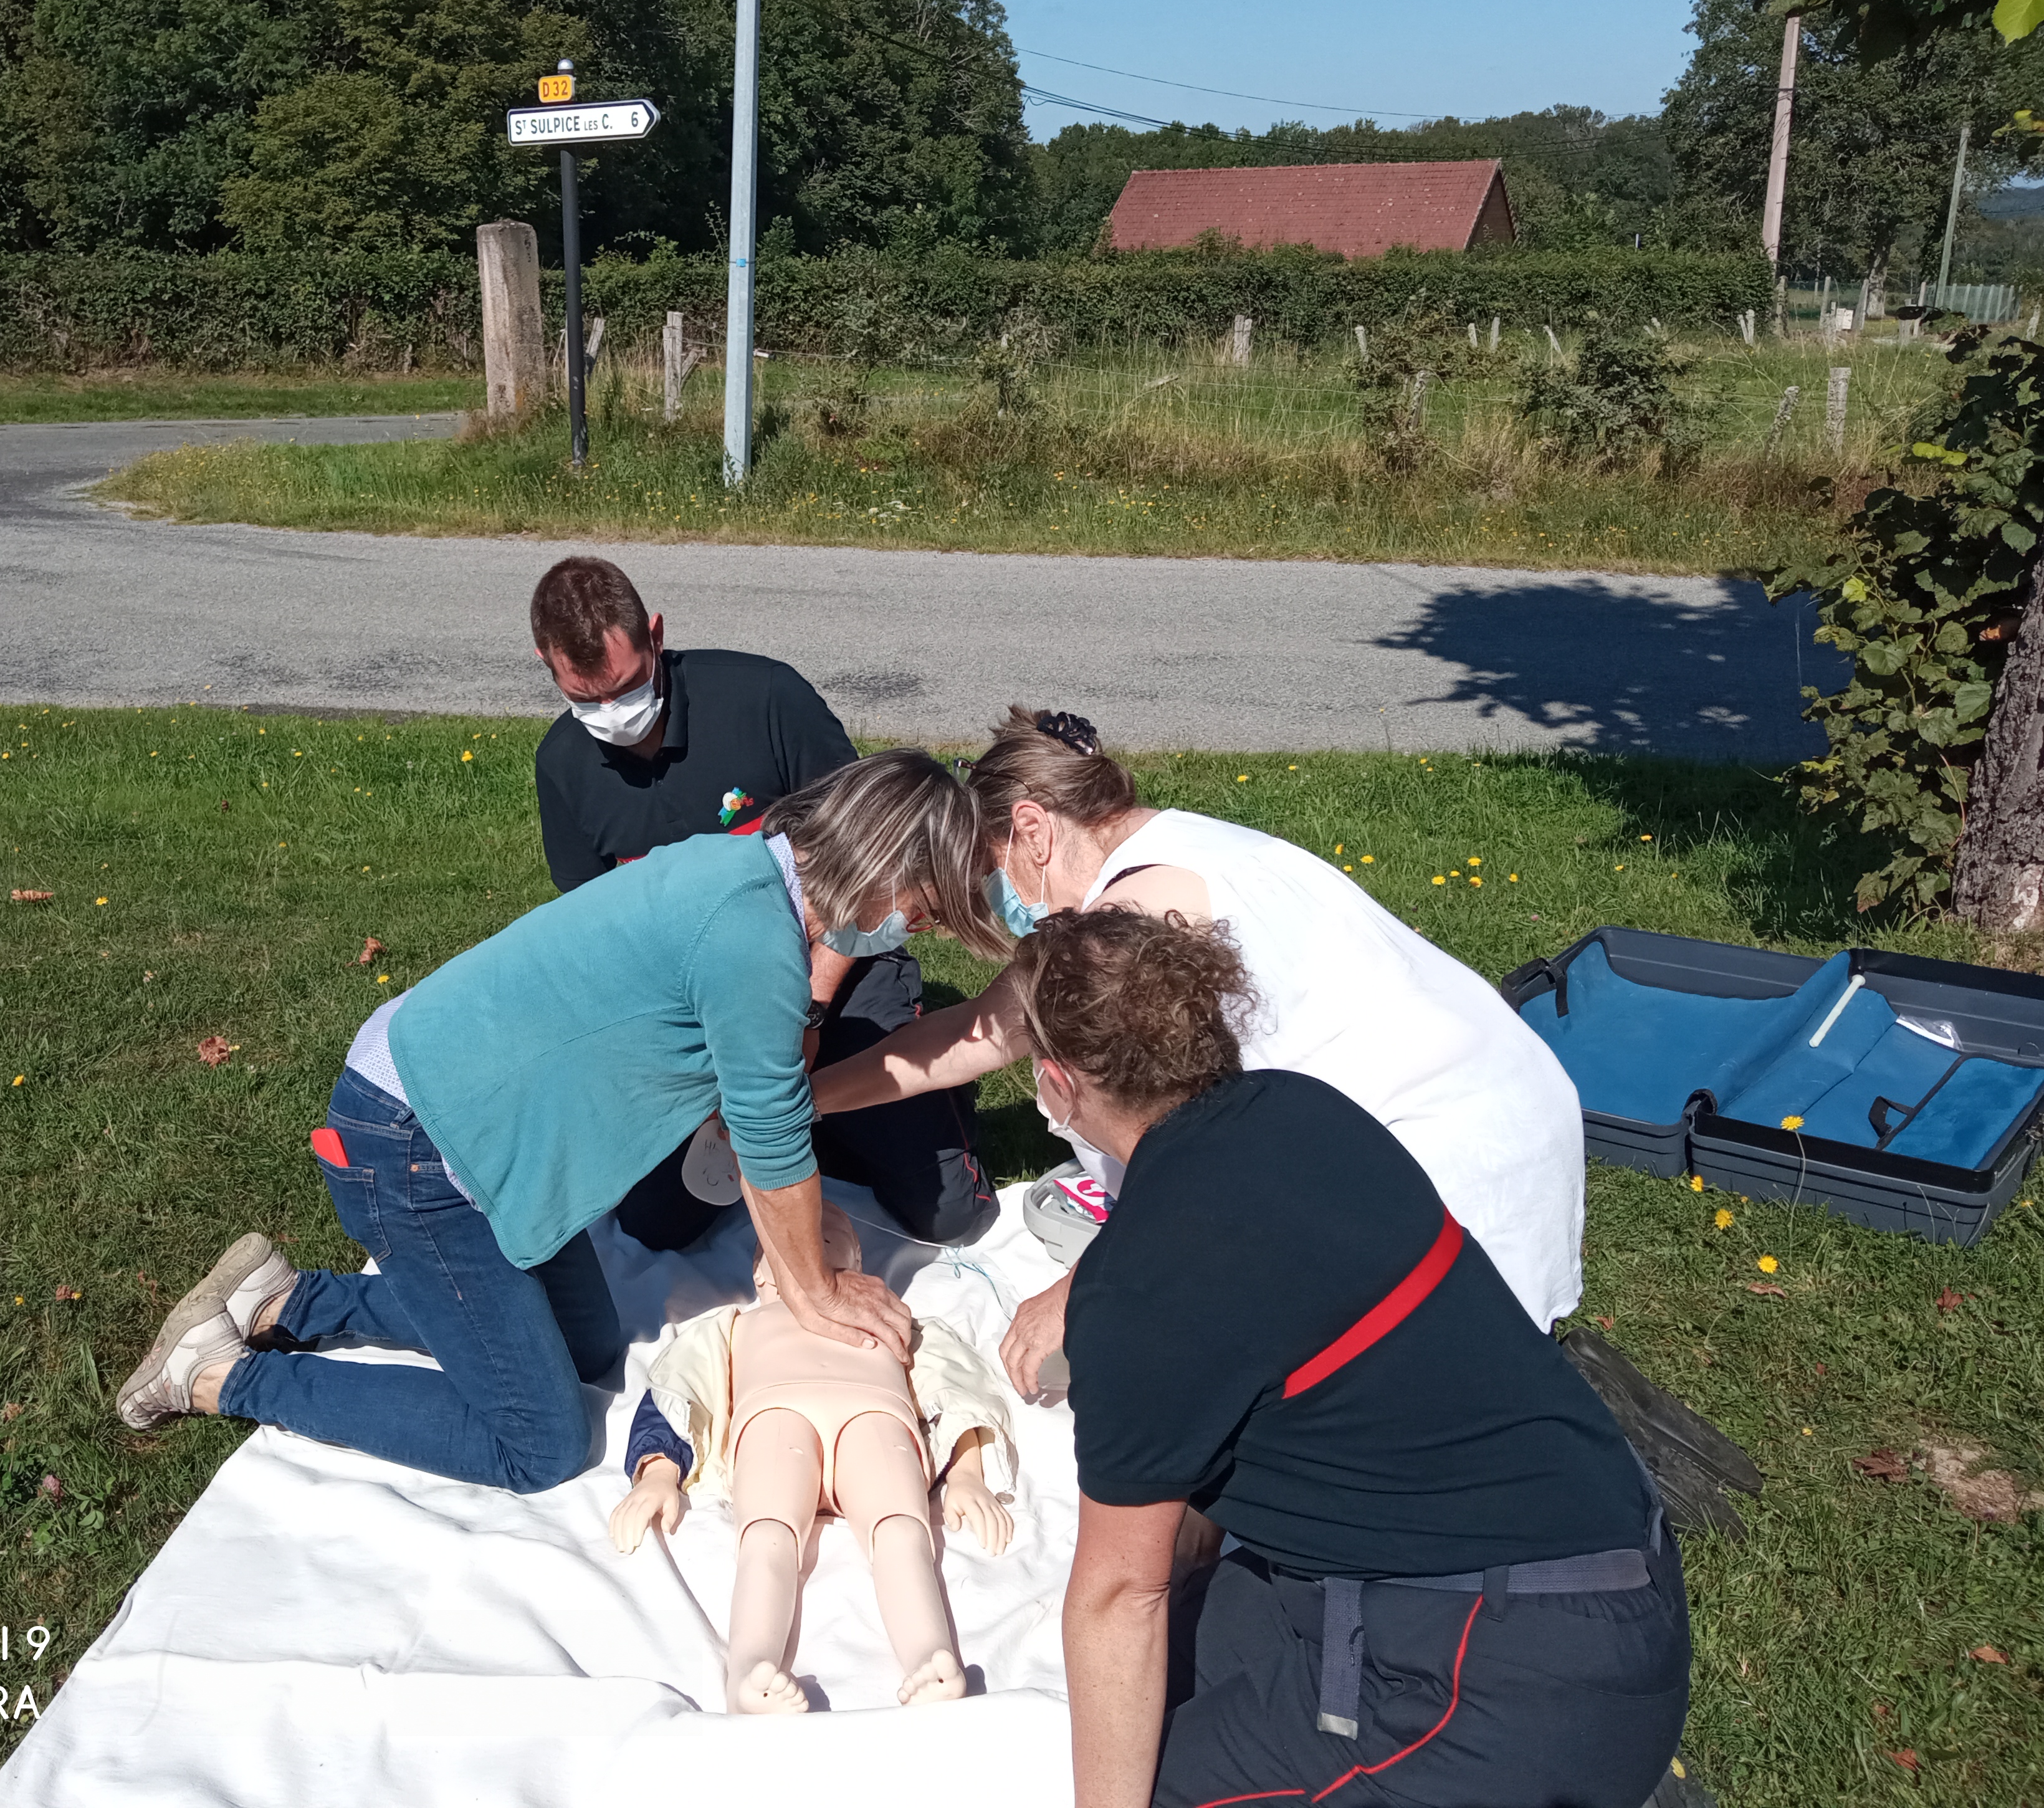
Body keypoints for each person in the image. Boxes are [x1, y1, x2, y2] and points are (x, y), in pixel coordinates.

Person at [115, 751, 1014, 1495]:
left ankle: (285, 1301)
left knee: (587, 1346)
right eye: (922, 910)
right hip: (414, 1144)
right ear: (884, 866)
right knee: (538, 1443)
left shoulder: (746, 874)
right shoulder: (749, 940)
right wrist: (815, 1292)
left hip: (466, 1120)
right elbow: (771, 1142)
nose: (912, 932)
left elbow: (763, 1099)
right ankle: (221, 1374)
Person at [1030, 909, 1689, 1808]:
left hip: (1509, 1679)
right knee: (1184, 1650)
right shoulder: (1306, 1111)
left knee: (1150, 1778)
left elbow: (1116, 1598)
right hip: (1613, 1560)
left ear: (1060, 1085)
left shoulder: (1140, 1285)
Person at [811, 707, 1585, 1400]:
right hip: (1503, 1102)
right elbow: (976, 1034)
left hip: (1439, 1164)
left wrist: (1077, 1294)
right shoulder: (1173, 841)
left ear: (1034, 829)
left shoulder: (1135, 918)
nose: (993, 897)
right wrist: (796, 1099)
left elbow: (1194, 1155)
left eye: (991, 869)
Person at [530, 554, 992, 1249]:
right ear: (546, 663)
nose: (612, 715)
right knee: (656, 1227)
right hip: (702, 1017)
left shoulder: (766, 697)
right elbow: (606, 943)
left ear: (655, 635)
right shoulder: (562, 764)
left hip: (835, 971)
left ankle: (890, 1103)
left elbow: (869, 866)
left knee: (951, 1217)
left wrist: (808, 1006)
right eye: (586, 700)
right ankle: (826, 1126)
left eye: (624, 689)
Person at [606, 1200, 1016, 1715]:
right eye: (787, 1240)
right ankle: (750, 1671)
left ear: (859, 1262)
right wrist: (658, 1473)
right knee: (767, 1534)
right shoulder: (732, 1327)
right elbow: (683, 1385)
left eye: (827, 1237)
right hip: (776, 1417)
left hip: (875, 1417)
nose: (809, 1241)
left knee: (902, 1531)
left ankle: (931, 1657)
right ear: (761, 1273)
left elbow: (952, 1384)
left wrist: (968, 1473)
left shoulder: (894, 1319)